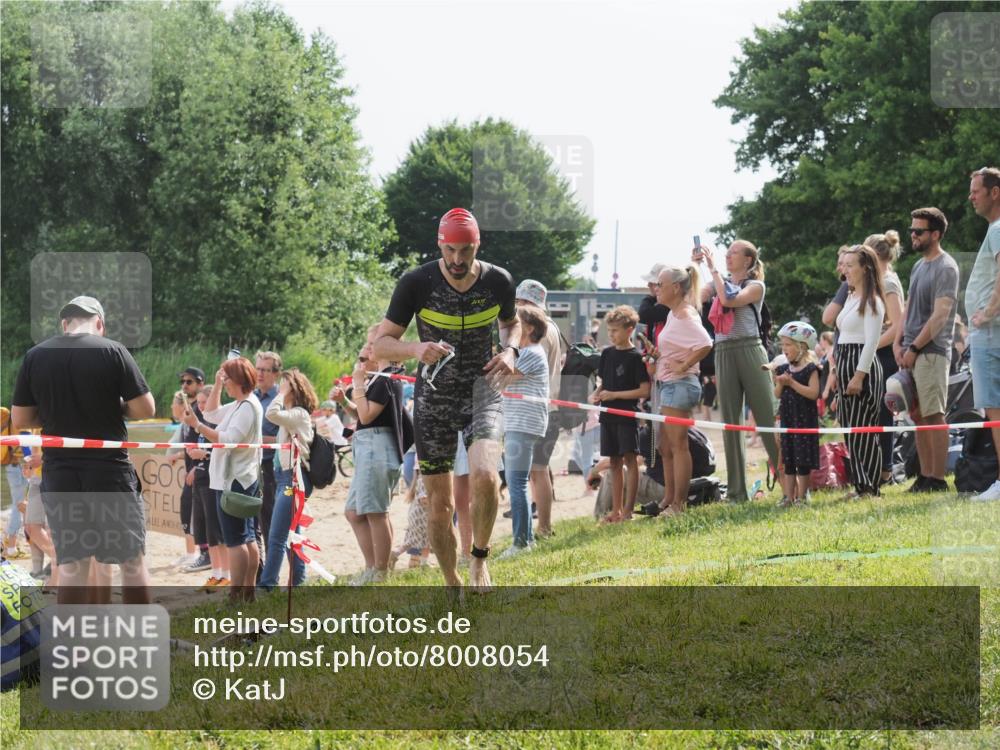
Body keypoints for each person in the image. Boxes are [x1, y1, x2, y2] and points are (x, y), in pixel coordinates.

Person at [372, 207, 519, 591]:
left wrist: (510, 350)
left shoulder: (498, 281)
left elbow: (511, 323)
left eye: (465, 251)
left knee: (486, 477)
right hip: (433, 400)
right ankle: (452, 581)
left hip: (481, 392)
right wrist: (416, 348)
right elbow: (380, 344)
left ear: (477, 246)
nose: (457, 259)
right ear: (440, 245)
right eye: (450, 250)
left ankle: (479, 560)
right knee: (440, 505)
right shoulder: (416, 282)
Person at [11, 296, 155, 605]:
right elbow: (145, 408)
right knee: (130, 561)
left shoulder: (36, 355)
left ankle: (73, 646)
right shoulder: (113, 350)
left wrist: (52, 416)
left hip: (60, 474)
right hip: (108, 472)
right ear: (99, 323)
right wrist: (116, 409)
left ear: (64, 324)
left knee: (72, 565)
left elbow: (20, 418)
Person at [697, 241, 781, 502]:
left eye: (734, 252)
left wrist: (712, 270)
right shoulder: (717, 282)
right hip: (723, 351)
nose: (727, 256)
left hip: (750, 350)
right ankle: (736, 492)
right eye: (727, 252)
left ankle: (792, 483)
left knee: (767, 418)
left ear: (748, 260)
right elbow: (696, 296)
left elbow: (728, 300)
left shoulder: (755, 286)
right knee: (731, 423)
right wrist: (697, 265)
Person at [182, 357, 263, 603]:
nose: (225, 383)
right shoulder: (242, 403)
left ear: (238, 380)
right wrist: (216, 384)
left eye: (227, 379)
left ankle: (237, 593)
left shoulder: (247, 406)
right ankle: (247, 592)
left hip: (234, 480)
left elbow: (227, 439)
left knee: (236, 540)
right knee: (246, 538)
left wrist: (197, 426)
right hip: (237, 477)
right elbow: (211, 413)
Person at [893, 207, 960, 493]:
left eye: (918, 231)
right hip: (910, 351)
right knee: (918, 416)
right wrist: (898, 341)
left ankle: (937, 479)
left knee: (934, 415)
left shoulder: (947, 267)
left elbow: (940, 315)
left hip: (931, 351)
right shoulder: (919, 266)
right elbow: (908, 308)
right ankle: (924, 476)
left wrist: (915, 347)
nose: (913, 236)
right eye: (911, 230)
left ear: (936, 234)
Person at [345, 327, 407, 585]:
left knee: (375, 511)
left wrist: (357, 383)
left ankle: (379, 572)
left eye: (372, 344)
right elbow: (362, 417)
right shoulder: (379, 378)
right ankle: (374, 566)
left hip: (377, 448)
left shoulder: (387, 378)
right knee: (354, 512)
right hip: (369, 445)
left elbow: (368, 415)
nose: (368, 349)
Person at [651, 266, 712, 516]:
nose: (656, 289)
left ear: (675, 287)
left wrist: (685, 365)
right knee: (665, 447)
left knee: (678, 446)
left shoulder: (685, 313)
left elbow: (706, 343)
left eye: (660, 284)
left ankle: (679, 504)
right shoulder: (674, 314)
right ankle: (669, 498)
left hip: (680, 384)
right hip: (669, 384)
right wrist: (661, 355)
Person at [589, 305, 649, 523]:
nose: (611, 335)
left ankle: (628, 511)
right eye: (610, 330)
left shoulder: (636, 357)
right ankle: (615, 511)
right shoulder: (606, 354)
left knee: (630, 460)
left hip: (627, 415)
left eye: (615, 330)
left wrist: (615, 395)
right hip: (608, 416)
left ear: (630, 329)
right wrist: (596, 394)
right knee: (614, 462)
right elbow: (603, 383)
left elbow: (644, 390)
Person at [499, 306, 550, 558]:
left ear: (529, 328)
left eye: (515, 323)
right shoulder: (528, 352)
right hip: (519, 423)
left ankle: (520, 543)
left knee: (516, 483)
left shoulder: (530, 352)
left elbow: (499, 376)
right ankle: (526, 539)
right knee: (518, 482)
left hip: (523, 423)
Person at [259, 368, 317, 590]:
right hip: (285, 477)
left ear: (293, 389)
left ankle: (267, 585)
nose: (279, 390)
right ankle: (299, 582)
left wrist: (280, 394)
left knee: (277, 536)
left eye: (284, 386)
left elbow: (270, 414)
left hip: (293, 479)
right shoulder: (293, 416)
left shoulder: (299, 414)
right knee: (293, 534)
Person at [514, 279, 563, 539]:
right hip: (547, 405)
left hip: (538, 405)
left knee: (537, 470)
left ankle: (543, 527)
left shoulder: (539, 331)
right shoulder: (553, 327)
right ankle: (543, 525)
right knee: (538, 469)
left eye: (519, 302)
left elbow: (528, 367)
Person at [838, 245, 887, 497]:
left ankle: (870, 486)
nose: (844, 269)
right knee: (850, 430)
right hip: (845, 361)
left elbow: (871, 341)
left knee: (863, 431)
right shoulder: (851, 296)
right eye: (843, 264)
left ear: (864, 268)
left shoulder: (873, 301)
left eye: (850, 265)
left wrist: (859, 375)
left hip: (861, 365)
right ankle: (860, 484)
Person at [965, 167, 1000, 501]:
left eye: (976, 191)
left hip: (991, 334)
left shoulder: (998, 228)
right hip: (990, 334)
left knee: (994, 408)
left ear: (995, 192)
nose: (971, 196)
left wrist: (988, 312)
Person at [866, 232, 906, 486]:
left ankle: (885, 470)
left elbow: (897, 326)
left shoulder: (889, 283)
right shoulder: (877, 281)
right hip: (874, 353)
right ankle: (874, 466)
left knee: (884, 413)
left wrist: (868, 348)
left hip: (884, 355)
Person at [773, 322, 821, 506]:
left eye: (788, 345)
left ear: (802, 347)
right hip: (788, 421)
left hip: (804, 422)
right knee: (789, 460)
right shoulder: (784, 369)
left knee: (803, 461)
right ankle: (788, 496)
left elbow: (813, 393)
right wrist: (781, 383)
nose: (784, 349)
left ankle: (802, 497)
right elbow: (777, 394)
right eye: (782, 345)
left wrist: (792, 384)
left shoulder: (811, 369)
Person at [185, 385, 227, 586]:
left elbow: (225, 451)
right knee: (209, 531)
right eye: (199, 403)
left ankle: (225, 575)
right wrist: (196, 458)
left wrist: (206, 455)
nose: (201, 407)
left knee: (218, 531)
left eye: (204, 402)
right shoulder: (200, 423)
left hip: (214, 481)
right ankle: (216, 574)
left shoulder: (219, 422)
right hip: (202, 479)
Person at [254, 351, 282, 556]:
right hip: (249, 466)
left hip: (272, 468)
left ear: (276, 374)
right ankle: (260, 571)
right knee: (250, 523)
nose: (260, 374)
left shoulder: (282, 400)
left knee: (270, 522)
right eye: (258, 369)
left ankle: (270, 575)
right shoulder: (251, 397)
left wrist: (256, 440)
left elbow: (291, 439)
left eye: (265, 370)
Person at [1, 408, 28, 559]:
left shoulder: (8, 418)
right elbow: (26, 449)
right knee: (18, 507)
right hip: (18, 468)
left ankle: (8, 540)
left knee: (17, 505)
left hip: (13, 467)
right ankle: (11, 548)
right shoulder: (22, 424)